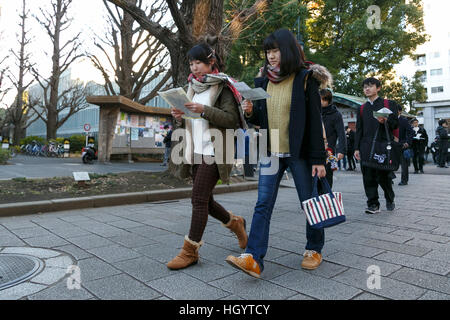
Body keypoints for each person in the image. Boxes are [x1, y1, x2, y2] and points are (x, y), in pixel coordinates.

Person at [225, 29, 328, 278]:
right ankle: (253, 258)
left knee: (309, 202)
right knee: (263, 204)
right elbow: (261, 119)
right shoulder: (263, 81)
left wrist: (318, 160)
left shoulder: (305, 79)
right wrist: (249, 111)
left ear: (288, 49)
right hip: (271, 151)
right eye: (268, 51)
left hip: (300, 153)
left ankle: (314, 249)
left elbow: (315, 121)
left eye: (276, 50)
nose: (271, 56)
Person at [166, 42, 248, 270]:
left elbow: (231, 119)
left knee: (198, 199)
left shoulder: (224, 86)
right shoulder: (191, 87)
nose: (194, 67)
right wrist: (179, 115)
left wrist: (203, 110)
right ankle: (235, 223)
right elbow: (188, 120)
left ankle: (189, 251)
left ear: (211, 62)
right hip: (195, 149)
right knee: (206, 200)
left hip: (216, 150)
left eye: (198, 62)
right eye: (191, 63)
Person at [354, 77, 399, 214]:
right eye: (365, 86)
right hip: (366, 146)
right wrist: (356, 148)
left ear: (378, 88)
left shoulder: (389, 103)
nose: (367, 89)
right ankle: (373, 204)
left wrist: (386, 120)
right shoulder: (362, 108)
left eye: (370, 86)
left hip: (383, 145)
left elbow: (395, 124)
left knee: (383, 176)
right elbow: (359, 129)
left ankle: (389, 198)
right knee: (368, 176)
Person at [319, 89, 346, 187]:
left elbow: (341, 134)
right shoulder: (315, 112)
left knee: (327, 177)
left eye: (323, 99)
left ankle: (327, 198)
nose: (321, 102)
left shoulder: (336, 114)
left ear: (328, 100)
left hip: (329, 150)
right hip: (314, 150)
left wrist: (341, 150)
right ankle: (316, 200)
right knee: (314, 178)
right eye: (319, 99)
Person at [398, 109, 414, 185]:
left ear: (400, 111)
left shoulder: (404, 120)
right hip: (391, 145)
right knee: (389, 163)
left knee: (404, 164)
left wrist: (408, 142)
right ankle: (389, 178)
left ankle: (404, 180)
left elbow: (411, 132)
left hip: (402, 145)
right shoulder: (389, 119)